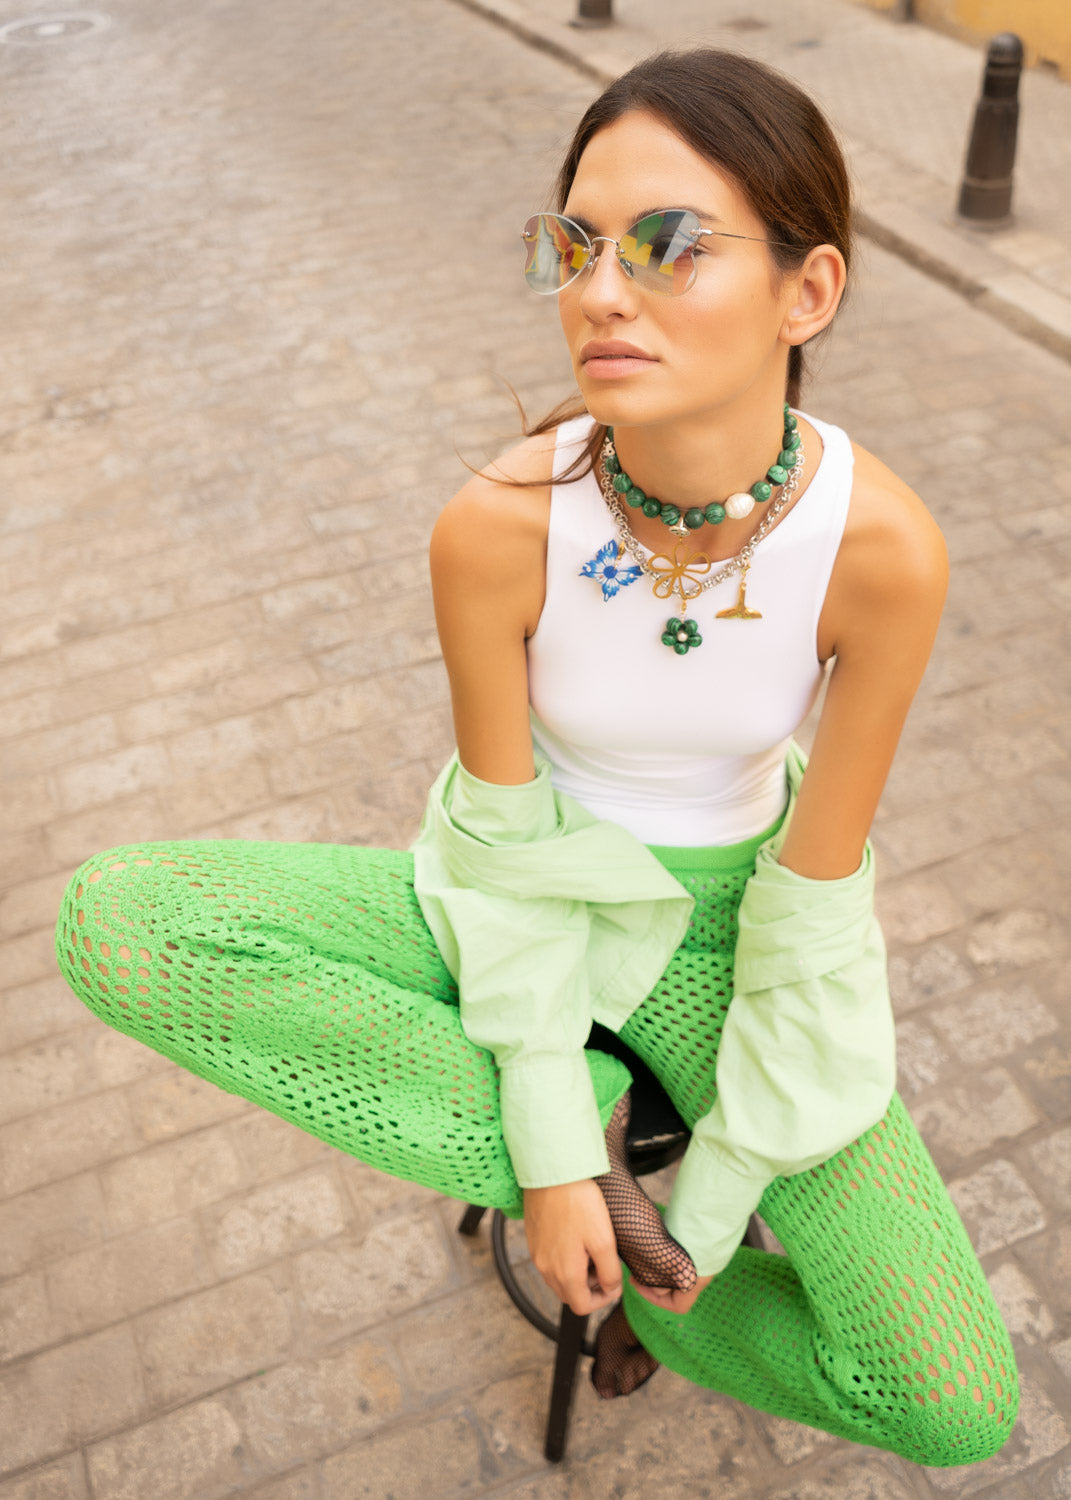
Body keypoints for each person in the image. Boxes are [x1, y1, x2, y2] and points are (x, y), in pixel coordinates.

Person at [56, 48, 1017, 1468]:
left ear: (807, 292)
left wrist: (697, 1226)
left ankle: (667, 1307)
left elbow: (813, 905)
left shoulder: (882, 550)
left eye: (669, 246)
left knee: (950, 1399)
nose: (601, 292)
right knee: (122, 922)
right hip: (516, 898)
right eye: (574, 246)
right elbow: (504, 862)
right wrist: (559, 1148)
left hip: (741, 940)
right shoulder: (498, 526)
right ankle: (576, 1157)